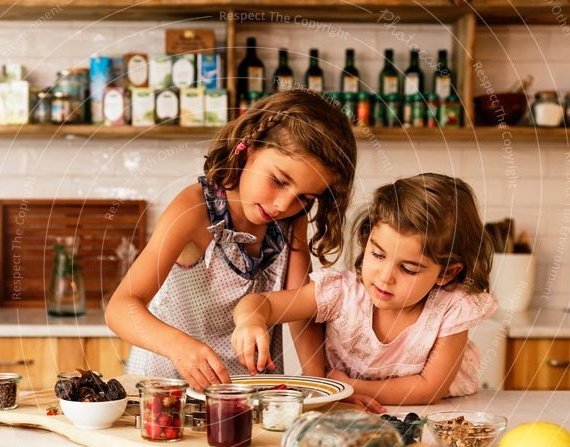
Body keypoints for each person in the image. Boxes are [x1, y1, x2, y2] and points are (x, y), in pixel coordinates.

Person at [105, 90, 357, 390]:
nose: (282, 205)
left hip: (248, 392)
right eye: (278, 180)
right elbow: (120, 308)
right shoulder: (194, 209)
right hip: (169, 385)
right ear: (248, 148)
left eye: (305, 197)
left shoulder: (292, 218)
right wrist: (179, 347)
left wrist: (321, 389)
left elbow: (299, 310)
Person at [232, 173, 497, 405]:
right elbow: (261, 303)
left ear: (447, 272)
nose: (385, 277)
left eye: (408, 269)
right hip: (352, 414)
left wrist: (350, 388)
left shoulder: (451, 310)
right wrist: (251, 320)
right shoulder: (342, 294)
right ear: (367, 239)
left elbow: (429, 388)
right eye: (378, 255)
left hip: (431, 416)